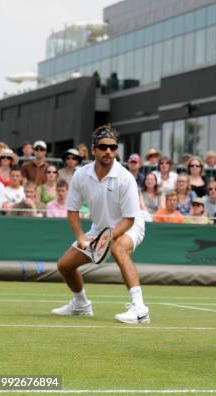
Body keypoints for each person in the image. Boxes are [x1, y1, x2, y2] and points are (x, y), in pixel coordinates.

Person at [51, 124, 149, 324]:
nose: (109, 152)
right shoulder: (81, 175)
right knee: (64, 266)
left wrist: (107, 237)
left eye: (113, 148)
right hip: (99, 228)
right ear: (94, 149)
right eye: (104, 147)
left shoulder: (126, 179)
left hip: (130, 225)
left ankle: (140, 308)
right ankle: (81, 304)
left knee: (119, 249)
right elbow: (72, 211)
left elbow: (130, 219)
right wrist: (81, 237)